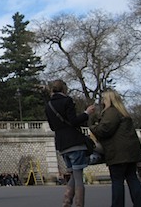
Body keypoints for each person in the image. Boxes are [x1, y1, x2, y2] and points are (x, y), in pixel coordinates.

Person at [89, 89, 141, 207]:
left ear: (109, 99)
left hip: (118, 154)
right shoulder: (123, 112)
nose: (103, 102)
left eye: (104, 99)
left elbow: (104, 130)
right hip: (131, 152)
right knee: (132, 179)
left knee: (117, 181)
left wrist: (92, 126)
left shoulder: (111, 112)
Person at [45, 79, 95, 207]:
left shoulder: (48, 105)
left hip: (62, 144)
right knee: (79, 179)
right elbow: (73, 121)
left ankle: (66, 202)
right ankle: (78, 204)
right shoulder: (67, 101)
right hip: (74, 142)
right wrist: (86, 113)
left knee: (73, 175)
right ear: (64, 89)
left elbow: (52, 127)